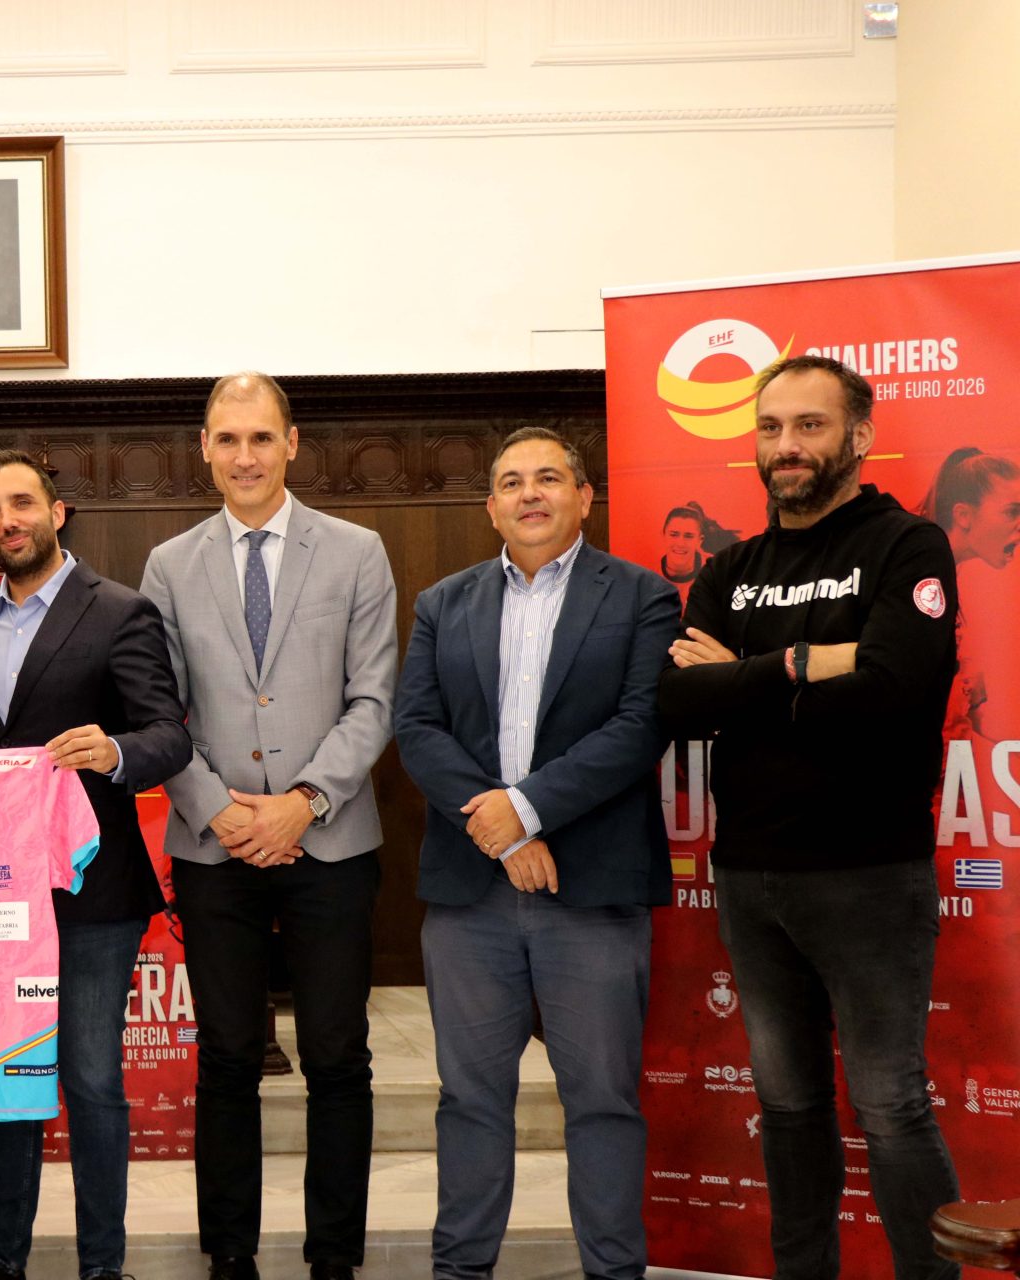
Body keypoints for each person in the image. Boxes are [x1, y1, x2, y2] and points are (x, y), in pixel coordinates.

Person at [659, 355, 961, 1280]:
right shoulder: (733, 568)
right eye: (770, 427)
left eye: (809, 425)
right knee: (787, 1105)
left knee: (889, 1104)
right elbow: (680, 703)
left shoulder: (907, 545)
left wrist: (745, 679)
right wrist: (806, 664)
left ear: (858, 437)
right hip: (750, 875)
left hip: (868, 874)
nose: (785, 446)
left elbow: (897, 688)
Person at [394, 425, 680, 1280]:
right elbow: (418, 727)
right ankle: (461, 1272)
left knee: (603, 1102)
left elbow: (641, 726)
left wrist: (522, 811)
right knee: (469, 1102)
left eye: (549, 478)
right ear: (490, 507)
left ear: (584, 497)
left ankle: (614, 1273)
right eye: (512, 482)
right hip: (470, 898)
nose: (530, 493)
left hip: (592, 893)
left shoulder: (642, 597)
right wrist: (501, 832)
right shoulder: (443, 602)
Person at [137, 372, 396, 1280]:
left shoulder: (357, 551)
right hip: (215, 847)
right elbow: (160, 712)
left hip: (331, 840)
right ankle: (230, 1255)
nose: (244, 455)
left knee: (337, 1054)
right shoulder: (170, 564)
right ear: (204, 450)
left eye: (260, 437)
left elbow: (374, 699)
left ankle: (334, 1257)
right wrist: (219, 809)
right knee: (226, 1055)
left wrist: (303, 801)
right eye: (227, 439)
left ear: (292, 443)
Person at [0, 448, 191, 1280]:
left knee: (89, 1080)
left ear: (57, 513)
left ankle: (102, 1267)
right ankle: (3, 1260)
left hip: (93, 889)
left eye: (21, 504)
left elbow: (168, 735)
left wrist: (114, 750)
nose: (6, 521)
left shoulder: (120, 611)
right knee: (6, 1081)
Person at [920, 446, 1020, 738]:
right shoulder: (914, 582)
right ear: (963, 515)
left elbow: (976, 720)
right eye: (1012, 512)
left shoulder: (949, 586)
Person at [658, 504, 709, 609]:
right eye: (674, 535)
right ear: (664, 535)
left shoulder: (715, 571)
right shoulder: (647, 574)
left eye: (688, 536)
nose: (680, 543)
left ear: (700, 540)